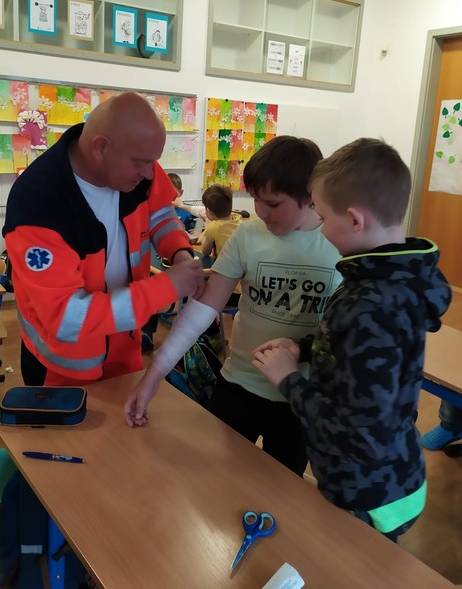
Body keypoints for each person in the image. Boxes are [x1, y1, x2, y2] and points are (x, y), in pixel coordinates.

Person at [251, 138, 452, 541]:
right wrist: (305, 348)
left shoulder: (372, 305)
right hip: (385, 479)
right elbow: (359, 357)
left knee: (353, 567)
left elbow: (360, 435)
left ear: (356, 220)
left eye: (322, 217)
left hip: (368, 494)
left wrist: (289, 379)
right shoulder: (388, 278)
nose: (321, 227)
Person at [124, 135, 342, 476]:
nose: (260, 211)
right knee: (212, 479)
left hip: (300, 399)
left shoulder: (339, 244)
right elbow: (202, 309)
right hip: (239, 384)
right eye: (255, 199)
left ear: (310, 196)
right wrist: (154, 374)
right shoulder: (248, 235)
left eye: (273, 203)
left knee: (281, 488)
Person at [3, 91, 205, 386]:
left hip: (125, 350)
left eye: (153, 162)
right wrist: (166, 288)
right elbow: (66, 317)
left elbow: (161, 213)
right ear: (100, 147)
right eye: (141, 163)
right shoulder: (38, 203)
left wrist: (179, 253)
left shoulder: (137, 164)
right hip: (63, 371)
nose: (150, 173)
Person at [199, 183, 242, 259]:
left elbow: (205, 251)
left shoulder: (213, 227)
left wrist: (207, 225)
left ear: (209, 211)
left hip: (224, 264)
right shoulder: (238, 219)